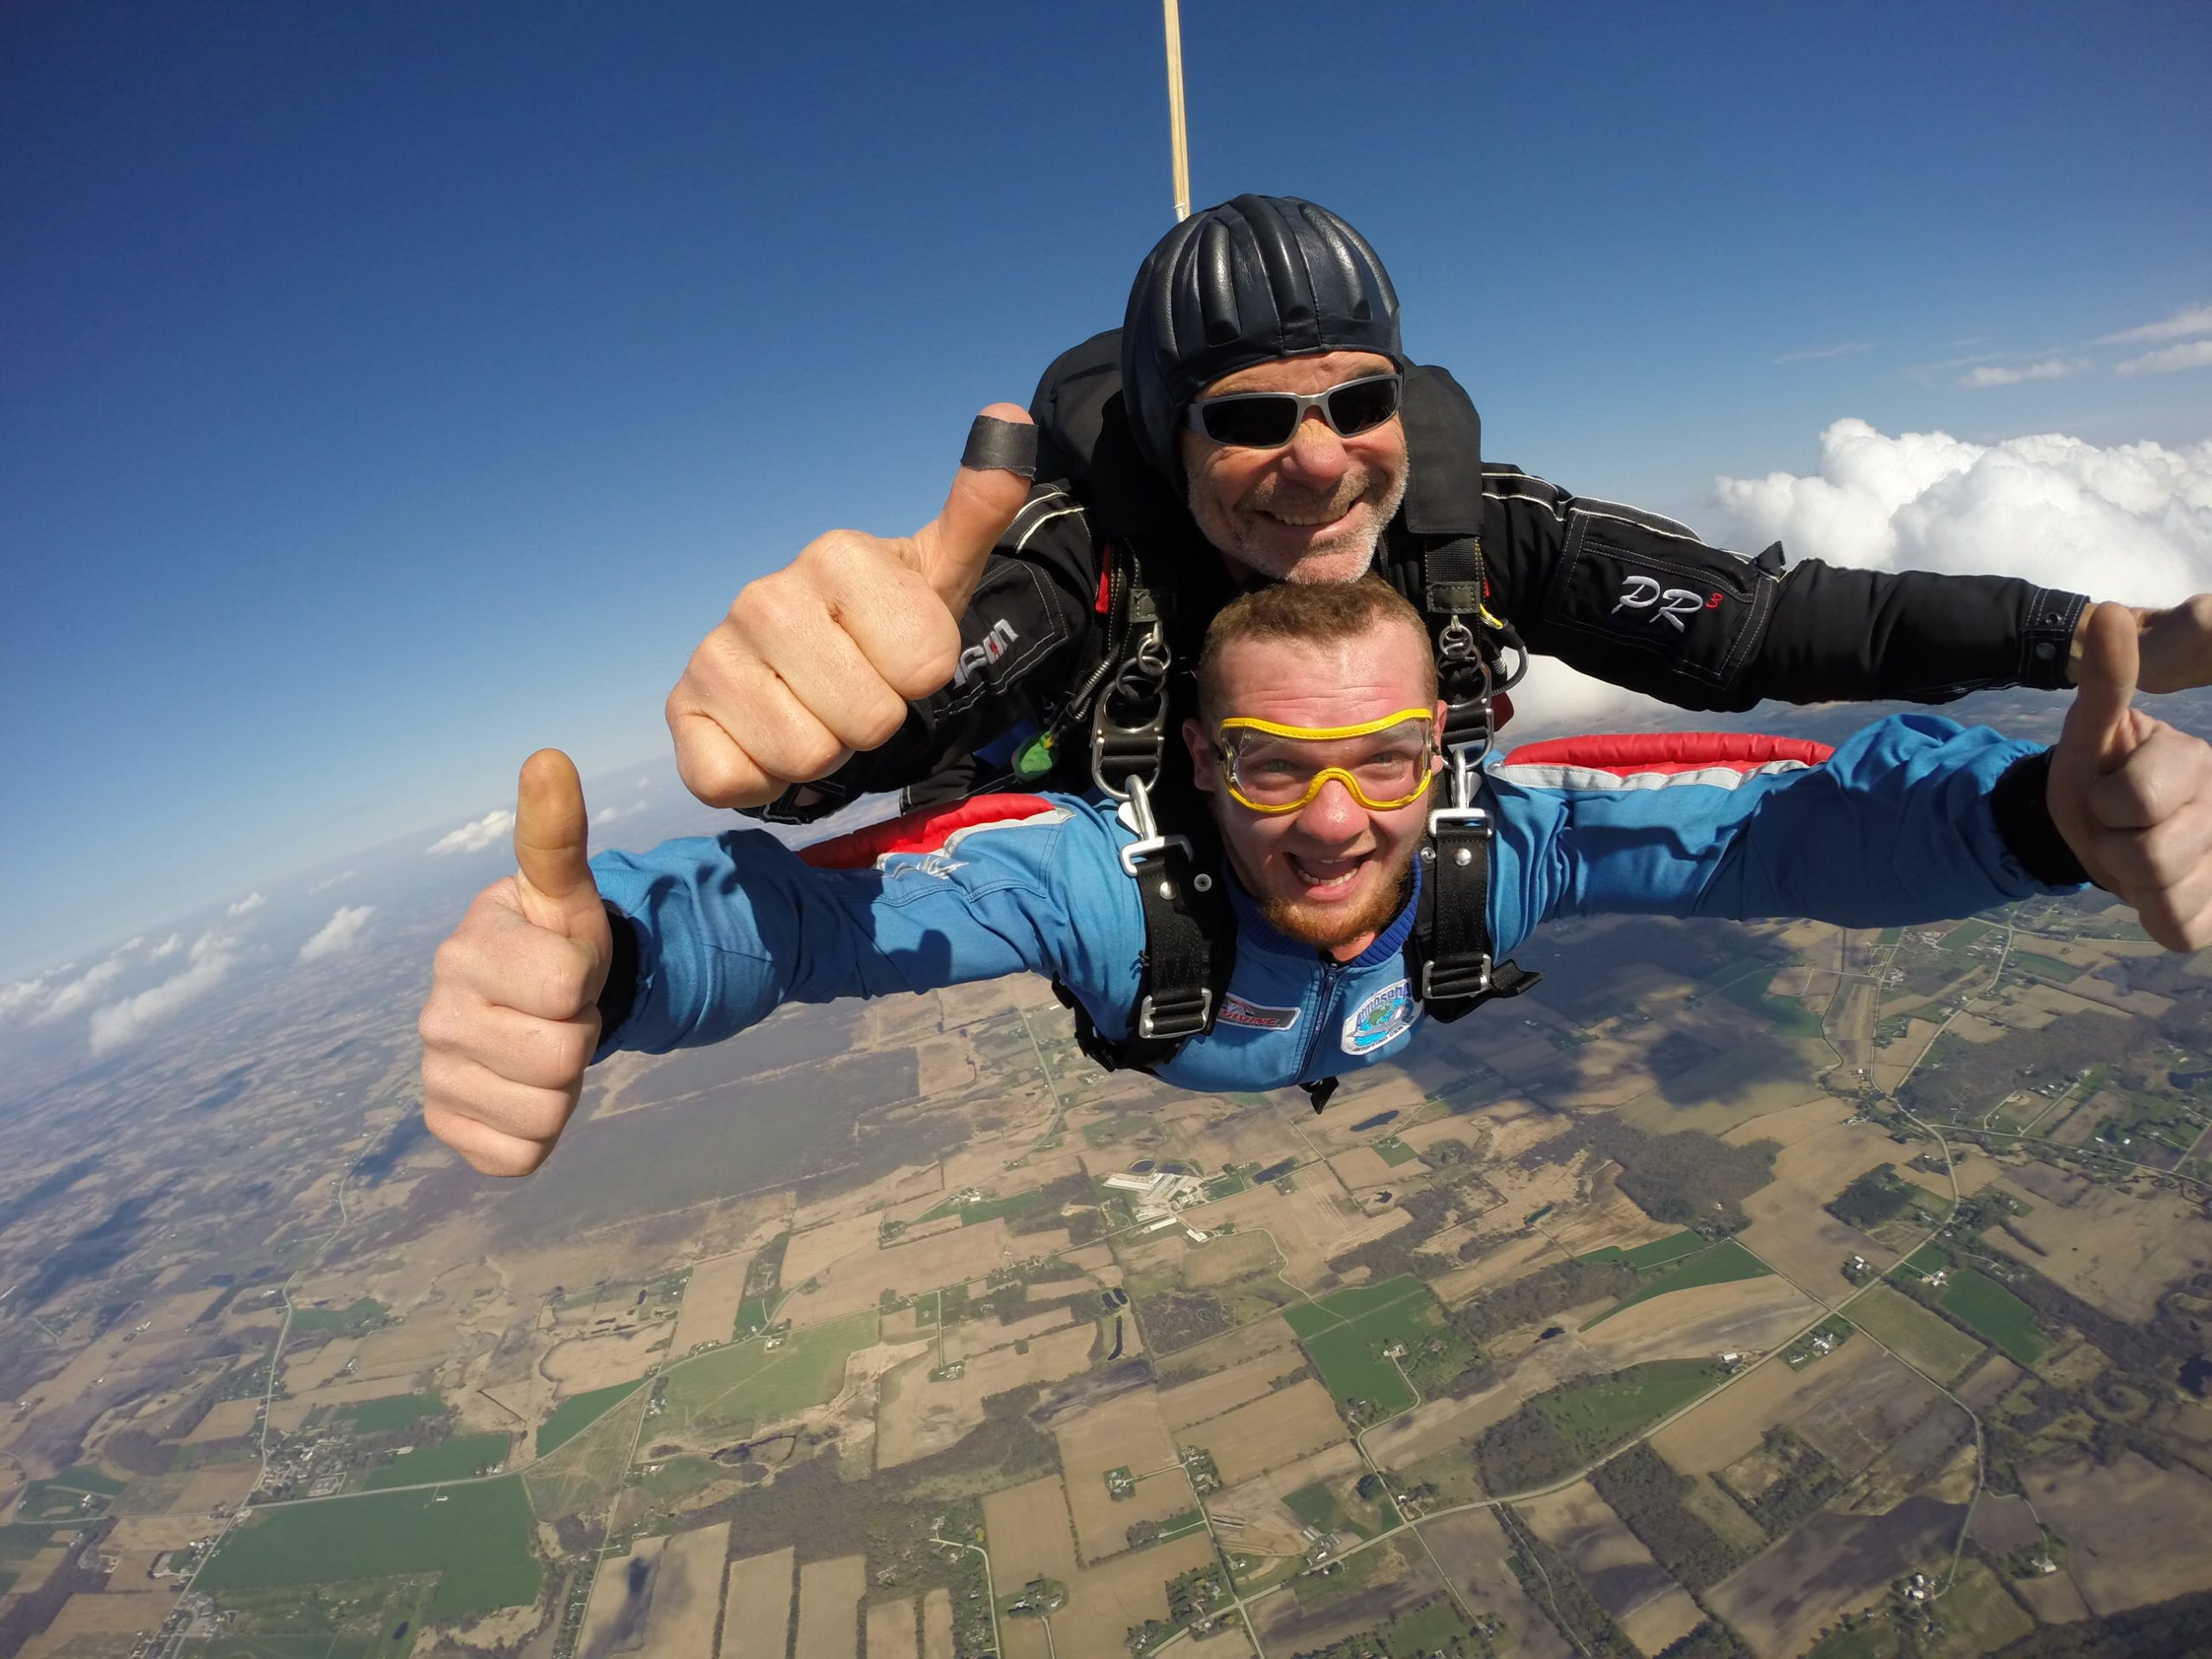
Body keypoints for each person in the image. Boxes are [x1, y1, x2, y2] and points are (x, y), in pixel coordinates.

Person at [418, 583, 2212, 1179]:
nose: (1340, 818)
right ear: (1200, 767)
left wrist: (2040, 820)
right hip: (1192, 993)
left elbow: (1779, 813)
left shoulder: (1487, 843)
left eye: (1386, 756)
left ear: (1446, 753)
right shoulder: (1103, 886)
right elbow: (831, 912)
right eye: (1273, 761)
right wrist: (627, 964)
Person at [662, 193, 2212, 827]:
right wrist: (793, 736)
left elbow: (1788, 628)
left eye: (1356, 401)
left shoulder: (1471, 536)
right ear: (1165, 439)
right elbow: (904, 704)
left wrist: (2091, 630)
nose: (1324, 460)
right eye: (1252, 419)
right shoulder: (1081, 574)